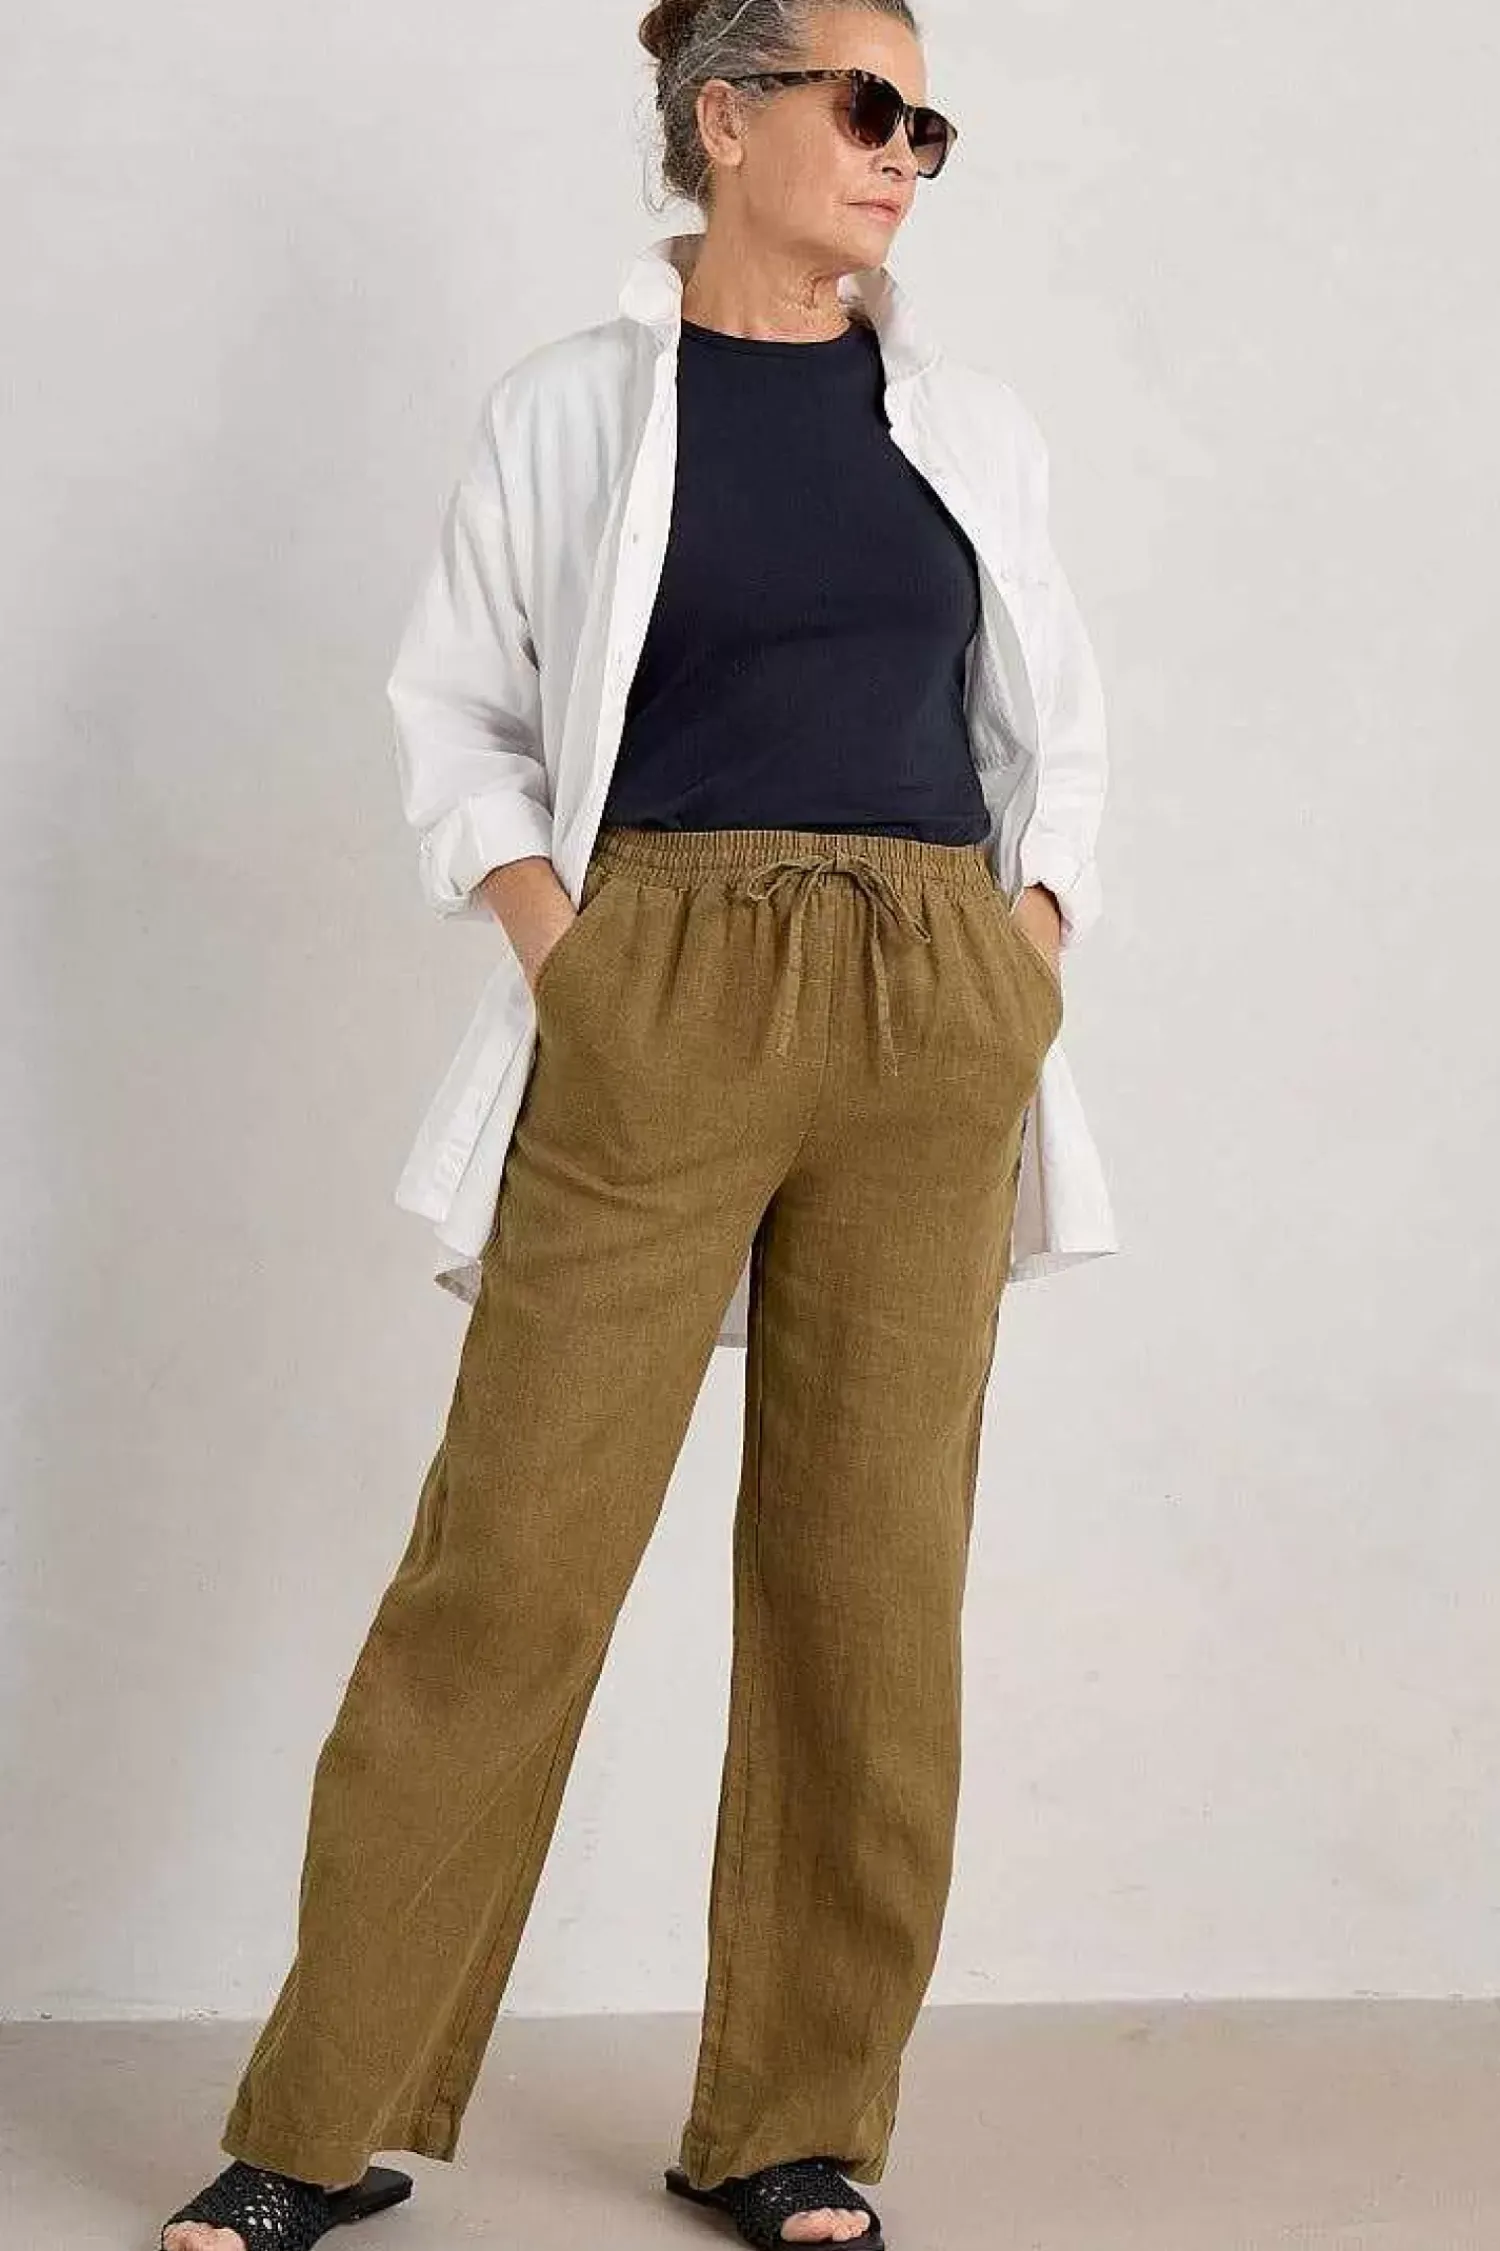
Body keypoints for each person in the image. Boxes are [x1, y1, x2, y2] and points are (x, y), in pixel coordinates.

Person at [158, 3, 1114, 2247]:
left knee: (870, 1589)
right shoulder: (573, 406)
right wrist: (569, 958)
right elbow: (456, 711)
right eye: (868, 107)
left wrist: (1025, 949)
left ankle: (791, 2119)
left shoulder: (968, 424)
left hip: (929, 999)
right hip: (657, 984)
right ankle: (319, 2121)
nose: (906, 153)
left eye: (929, 123)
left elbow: (1057, 728)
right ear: (728, 116)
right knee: (510, 1565)